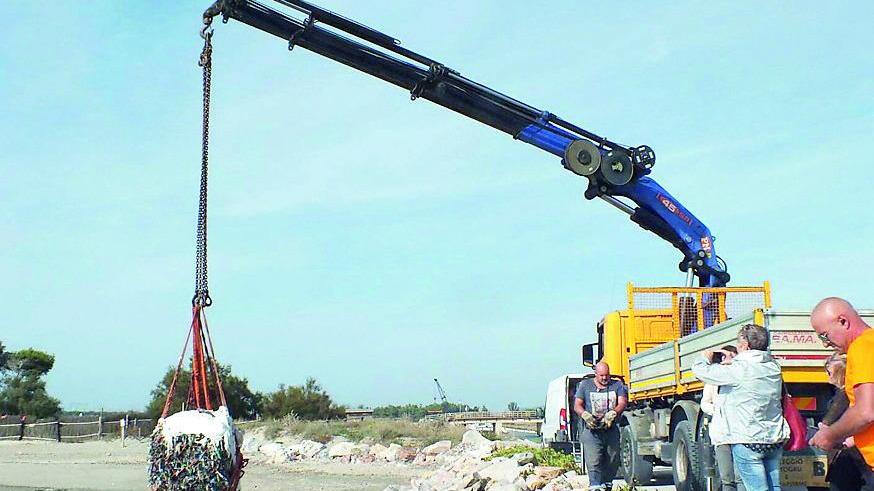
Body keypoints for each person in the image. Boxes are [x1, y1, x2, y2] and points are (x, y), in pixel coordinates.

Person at [692, 324, 789, 491]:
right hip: (773, 438)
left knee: (757, 488)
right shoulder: (773, 367)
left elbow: (701, 371)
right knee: (774, 487)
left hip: (747, 439)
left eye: (738, 343)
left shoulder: (739, 369)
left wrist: (705, 357)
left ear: (744, 345)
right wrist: (734, 360)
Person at [809, 297, 874, 489]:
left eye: (824, 335)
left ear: (843, 321)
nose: (825, 344)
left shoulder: (862, 347)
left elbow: (866, 412)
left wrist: (829, 435)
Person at [573, 362, 628, 491]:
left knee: (612, 458)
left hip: (610, 428)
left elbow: (622, 402)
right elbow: (577, 405)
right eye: (602, 375)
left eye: (607, 375)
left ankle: (607, 483)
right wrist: (585, 414)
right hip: (592, 429)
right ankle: (595, 485)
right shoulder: (585, 386)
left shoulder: (617, 385)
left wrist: (614, 412)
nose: (604, 378)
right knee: (594, 459)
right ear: (596, 374)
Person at [701, 345, 745, 491]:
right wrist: (718, 410)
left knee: (741, 478)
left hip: (741, 434)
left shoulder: (742, 374)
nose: (726, 360)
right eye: (723, 357)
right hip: (722, 434)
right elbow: (705, 403)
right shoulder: (715, 378)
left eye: (730, 356)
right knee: (727, 478)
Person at [821, 352, 865, 490]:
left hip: (849, 453)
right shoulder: (856, 392)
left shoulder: (844, 394)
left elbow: (827, 423)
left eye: (830, 373)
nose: (828, 379)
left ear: (841, 373)